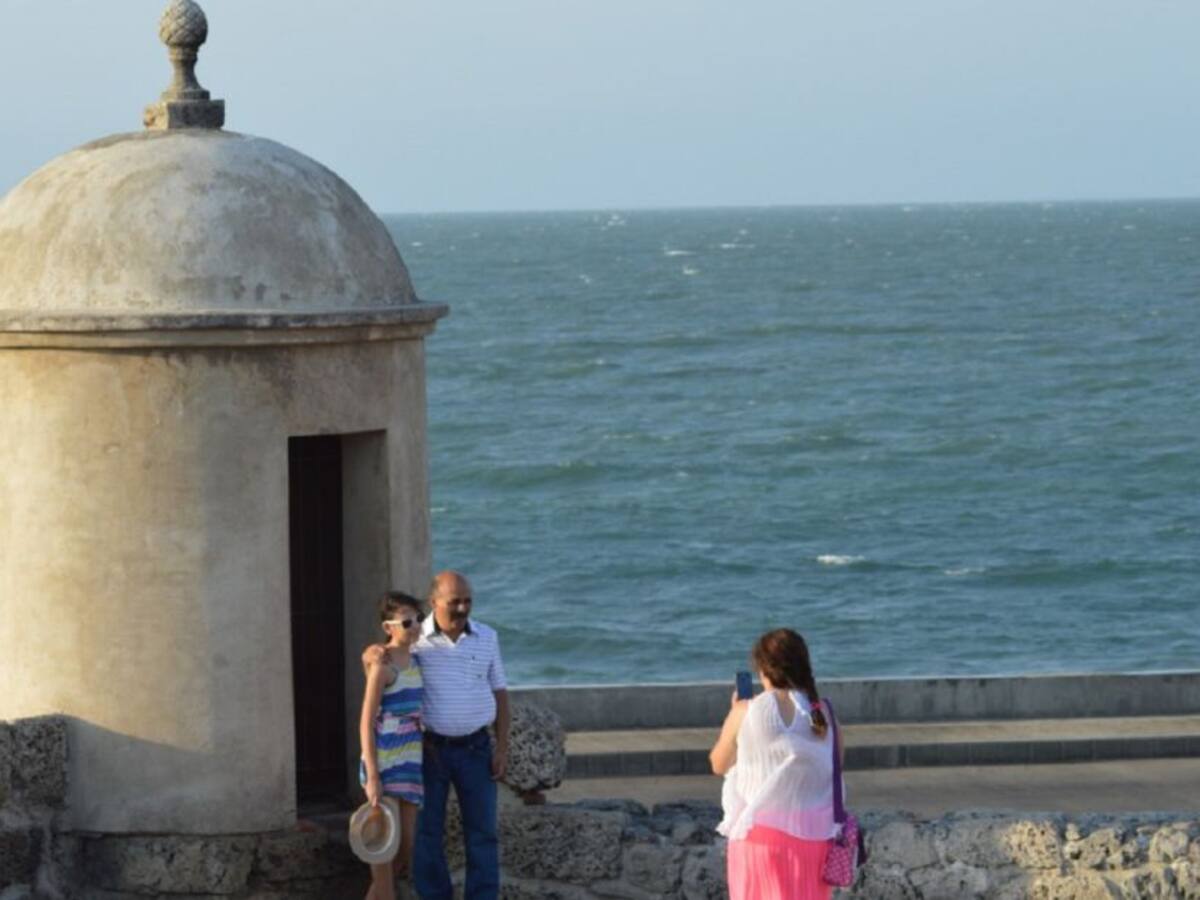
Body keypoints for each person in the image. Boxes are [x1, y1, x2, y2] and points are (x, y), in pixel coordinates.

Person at [364, 571, 509, 900]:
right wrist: (369, 654)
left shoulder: (487, 637)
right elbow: (387, 657)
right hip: (429, 751)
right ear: (434, 603)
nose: (462, 608)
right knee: (426, 836)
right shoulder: (416, 638)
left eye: (467, 601)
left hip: (477, 749)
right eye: (453, 602)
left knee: (483, 833)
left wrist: (502, 747)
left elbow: (501, 693)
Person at [709, 628, 841, 900]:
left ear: (762, 669)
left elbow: (719, 764)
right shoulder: (820, 714)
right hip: (814, 841)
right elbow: (834, 763)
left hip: (759, 838)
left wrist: (736, 718)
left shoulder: (746, 710)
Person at [359, 591, 426, 900]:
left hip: (411, 763)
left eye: (419, 619)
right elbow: (365, 722)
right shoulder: (382, 665)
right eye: (407, 621)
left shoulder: (418, 659)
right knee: (384, 850)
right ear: (389, 627)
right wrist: (372, 776)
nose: (414, 626)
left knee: (406, 845)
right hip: (385, 762)